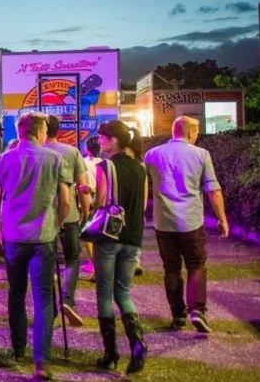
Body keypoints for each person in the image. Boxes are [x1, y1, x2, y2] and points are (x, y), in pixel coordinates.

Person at [0, 112, 71, 380]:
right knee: (43, 297)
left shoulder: (3, 159)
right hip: (43, 236)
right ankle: (41, 361)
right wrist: (58, 224)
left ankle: (18, 347)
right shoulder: (55, 159)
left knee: (16, 292)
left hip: (13, 236)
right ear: (39, 131)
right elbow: (65, 201)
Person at [144, 115, 228, 334]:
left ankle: (178, 315)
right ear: (190, 132)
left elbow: (143, 185)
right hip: (191, 221)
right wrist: (222, 219)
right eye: (196, 132)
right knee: (196, 264)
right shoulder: (201, 154)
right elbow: (213, 191)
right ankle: (197, 310)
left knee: (171, 268)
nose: (197, 136)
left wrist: (141, 212)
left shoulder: (152, 154)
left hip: (163, 222)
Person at [92, 120, 149, 373]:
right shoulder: (141, 168)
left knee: (104, 293)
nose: (99, 142)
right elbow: (143, 204)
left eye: (102, 138)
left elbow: (100, 202)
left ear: (113, 140)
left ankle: (111, 352)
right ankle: (138, 343)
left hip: (110, 236)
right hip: (133, 237)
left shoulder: (105, 166)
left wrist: (88, 196)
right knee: (124, 293)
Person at [43, 115, 89, 327]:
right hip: (69, 215)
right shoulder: (72, 152)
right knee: (72, 257)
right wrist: (85, 212)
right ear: (59, 130)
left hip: (45, 217)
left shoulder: (38, 152)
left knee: (47, 261)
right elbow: (82, 187)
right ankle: (67, 299)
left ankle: (50, 310)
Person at [80, 137, 102, 277]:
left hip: (87, 201)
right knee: (97, 234)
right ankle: (94, 263)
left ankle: (94, 266)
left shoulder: (84, 162)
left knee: (87, 235)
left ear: (87, 148)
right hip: (100, 201)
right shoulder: (102, 162)